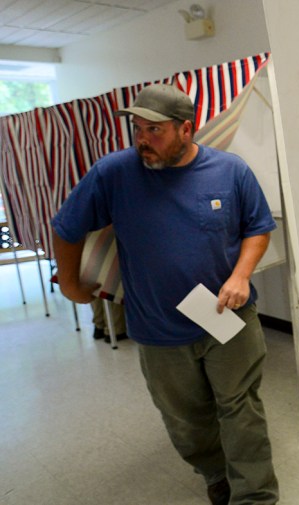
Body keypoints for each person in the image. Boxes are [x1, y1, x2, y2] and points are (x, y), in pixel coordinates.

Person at [51, 83, 279, 505]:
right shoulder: (114, 173)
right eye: (136, 128)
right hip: (158, 327)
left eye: (154, 130)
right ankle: (214, 471)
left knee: (240, 407)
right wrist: (70, 284)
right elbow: (67, 227)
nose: (141, 140)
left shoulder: (230, 171)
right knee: (186, 420)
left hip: (226, 316)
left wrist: (242, 275)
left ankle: (256, 496)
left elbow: (258, 227)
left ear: (186, 130)